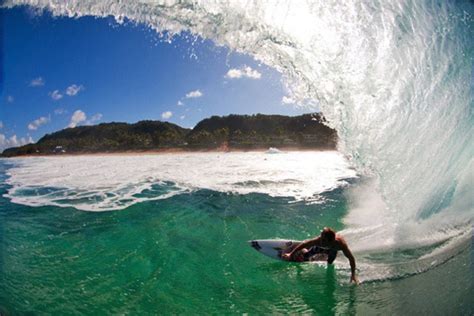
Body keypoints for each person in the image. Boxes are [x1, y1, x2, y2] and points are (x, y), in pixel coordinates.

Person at [281, 227, 359, 284]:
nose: (321, 240)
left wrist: (353, 275)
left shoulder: (340, 245)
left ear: (331, 241)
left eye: (323, 239)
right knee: (306, 256)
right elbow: (304, 244)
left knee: (330, 262)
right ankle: (304, 252)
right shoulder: (319, 241)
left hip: (332, 250)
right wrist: (290, 254)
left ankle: (323, 256)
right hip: (321, 248)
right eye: (321, 237)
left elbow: (351, 259)